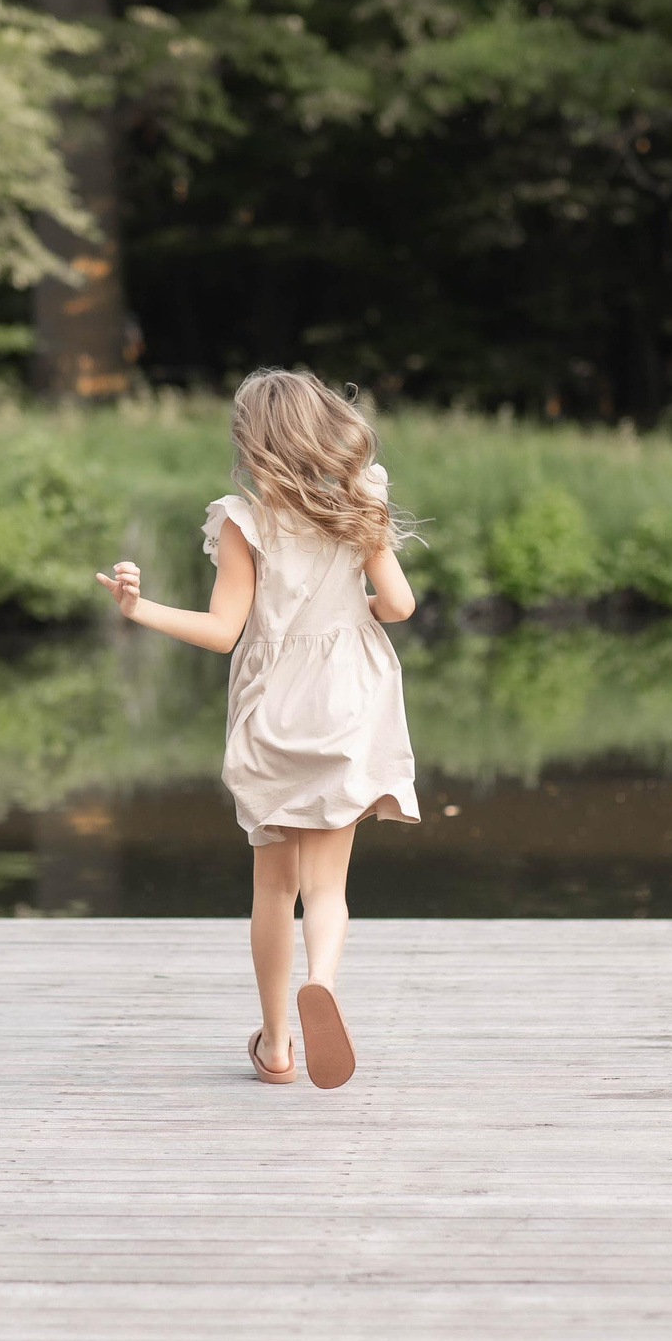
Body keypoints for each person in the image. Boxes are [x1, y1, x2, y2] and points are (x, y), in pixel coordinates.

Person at [97, 369, 420, 1088]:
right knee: (327, 887)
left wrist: (139, 609)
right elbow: (399, 604)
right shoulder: (359, 504)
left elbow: (222, 632)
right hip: (348, 702)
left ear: (253, 444)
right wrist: (352, 614)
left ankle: (276, 1046)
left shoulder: (242, 521)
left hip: (274, 706)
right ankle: (322, 983)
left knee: (274, 886)